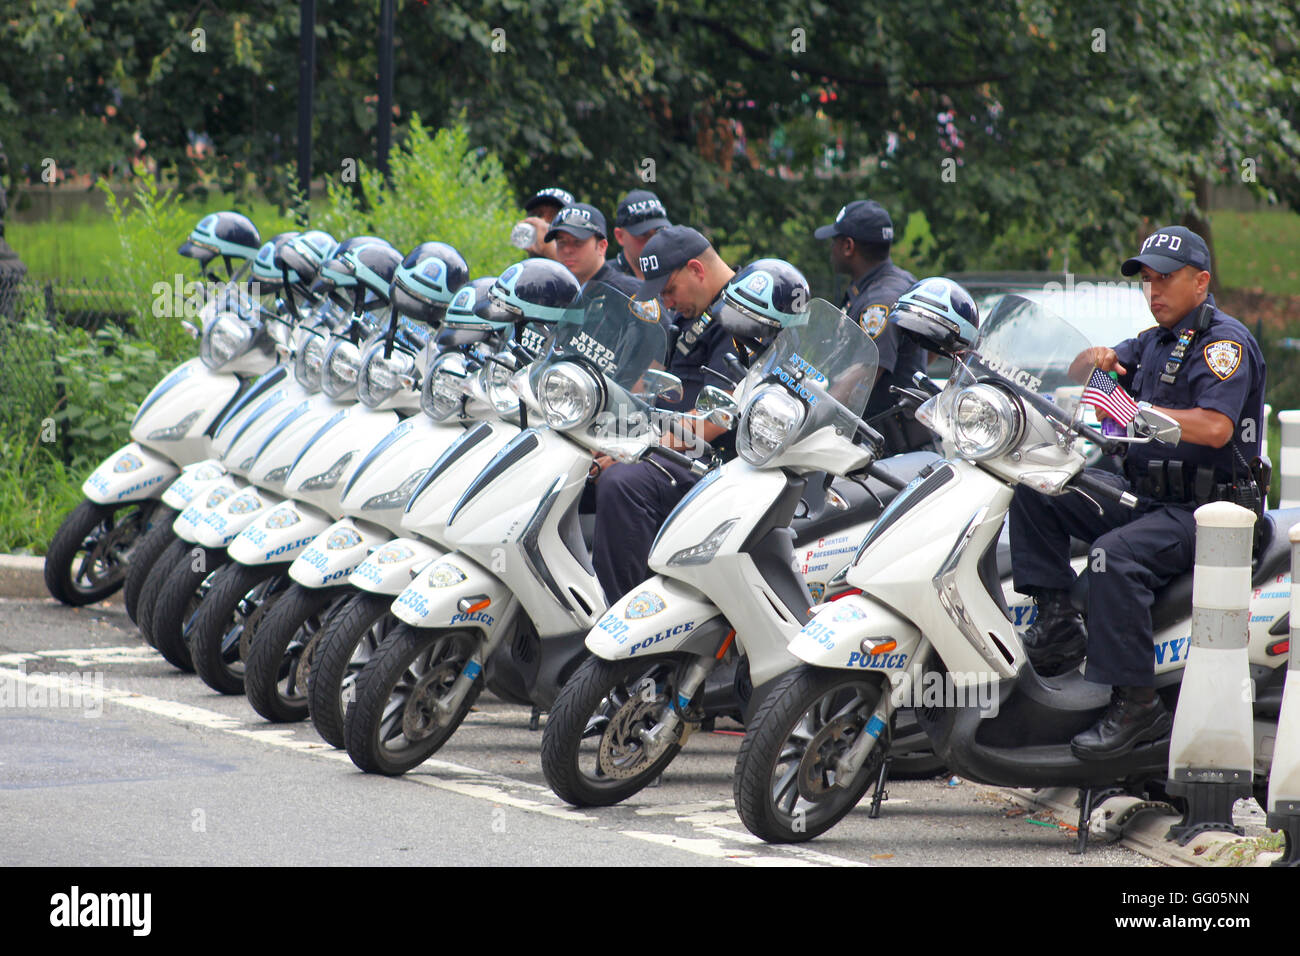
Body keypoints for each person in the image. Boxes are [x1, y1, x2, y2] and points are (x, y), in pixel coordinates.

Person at [1009, 225, 1266, 760]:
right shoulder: (1152, 342)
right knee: (1036, 487)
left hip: (1205, 510)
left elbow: (1216, 428)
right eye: (1147, 281)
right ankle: (1056, 619)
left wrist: (1144, 417)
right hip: (1143, 497)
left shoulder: (1225, 344)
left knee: (1112, 558)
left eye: (1166, 280)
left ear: (1201, 281)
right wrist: (1094, 360)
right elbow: (1083, 370)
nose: (1154, 292)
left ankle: (1136, 704)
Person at [814, 199, 928, 453]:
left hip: (887, 451)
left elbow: (861, 374)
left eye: (835, 241)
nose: (831, 248)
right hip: (884, 442)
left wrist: (810, 420)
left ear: (848, 246)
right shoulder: (894, 283)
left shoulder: (880, 301)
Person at [543, 202, 641, 299]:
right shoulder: (549, 292)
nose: (567, 250)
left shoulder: (628, 294)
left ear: (602, 246)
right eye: (561, 242)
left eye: (577, 242)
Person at [609, 189, 671, 278]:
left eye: (659, 231)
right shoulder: (605, 281)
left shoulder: (675, 275)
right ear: (620, 236)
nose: (653, 242)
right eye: (643, 234)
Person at [512, 186, 574, 260]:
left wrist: (552, 252)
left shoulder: (582, 266)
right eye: (537, 215)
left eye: (555, 217)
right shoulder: (519, 269)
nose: (542, 222)